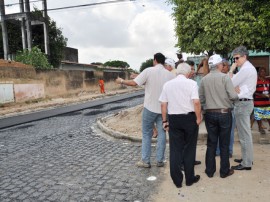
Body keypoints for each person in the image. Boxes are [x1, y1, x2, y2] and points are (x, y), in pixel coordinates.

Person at [115, 53, 175, 168]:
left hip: (149, 108)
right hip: (163, 109)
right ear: (163, 62)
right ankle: (160, 160)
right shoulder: (170, 75)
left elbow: (134, 83)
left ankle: (145, 161)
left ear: (155, 60)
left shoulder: (148, 71)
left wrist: (122, 81)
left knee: (147, 134)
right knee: (162, 133)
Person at [159, 62, 202, 188]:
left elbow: (163, 104)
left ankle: (177, 181)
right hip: (189, 118)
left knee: (175, 149)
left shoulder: (167, 85)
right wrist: (198, 118)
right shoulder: (192, 83)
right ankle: (189, 179)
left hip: (174, 119)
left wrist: (164, 121)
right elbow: (196, 102)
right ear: (188, 73)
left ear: (177, 72)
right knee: (189, 149)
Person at [199, 54, 238, 178]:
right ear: (219, 65)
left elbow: (201, 98)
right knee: (224, 144)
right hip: (224, 113)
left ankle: (210, 171)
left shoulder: (204, 79)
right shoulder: (225, 78)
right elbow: (233, 96)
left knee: (211, 143)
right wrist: (235, 96)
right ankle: (224, 171)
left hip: (210, 114)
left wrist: (206, 108)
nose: (223, 65)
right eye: (222, 63)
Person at [229, 45, 257, 171]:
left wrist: (231, 70)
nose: (235, 61)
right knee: (245, 134)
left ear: (244, 56)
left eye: (237, 58)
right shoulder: (247, 68)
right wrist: (234, 86)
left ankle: (246, 163)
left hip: (243, 103)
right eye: (234, 59)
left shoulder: (246, 69)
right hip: (245, 102)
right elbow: (234, 85)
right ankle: (247, 158)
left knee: (244, 135)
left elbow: (229, 83)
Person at [216, 59, 236, 158]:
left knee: (230, 132)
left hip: (229, 109)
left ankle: (229, 151)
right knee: (217, 132)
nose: (223, 67)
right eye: (222, 65)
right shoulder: (216, 77)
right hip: (217, 109)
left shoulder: (232, 77)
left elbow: (234, 93)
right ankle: (218, 151)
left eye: (225, 65)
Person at [253, 67, 270, 134]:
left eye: (264, 71)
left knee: (268, 116)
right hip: (258, 102)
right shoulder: (255, 81)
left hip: (267, 102)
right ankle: (260, 128)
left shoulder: (268, 80)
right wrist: (260, 95)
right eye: (261, 71)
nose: (263, 73)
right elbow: (253, 91)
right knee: (258, 117)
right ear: (258, 73)